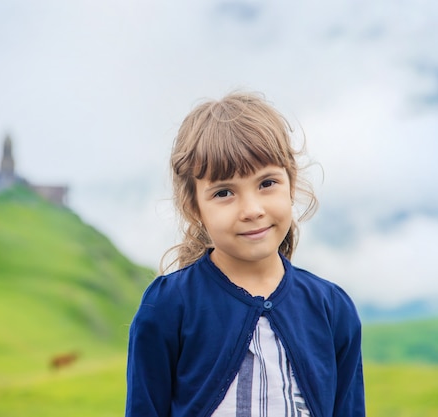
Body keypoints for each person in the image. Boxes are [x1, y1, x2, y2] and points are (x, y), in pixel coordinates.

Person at [125, 92, 365, 417]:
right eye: (224, 192)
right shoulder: (168, 306)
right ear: (193, 207)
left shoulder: (331, 308)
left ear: (291, 184)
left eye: (267, 183)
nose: (251, 210)